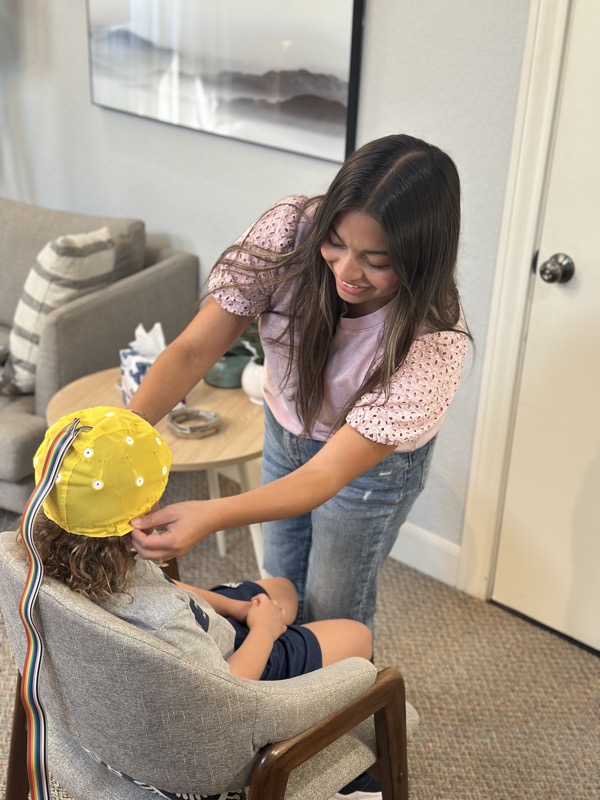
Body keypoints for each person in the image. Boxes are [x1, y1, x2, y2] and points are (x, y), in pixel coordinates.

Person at [128, 133, 471, 634]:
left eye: (376, 261)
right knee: (281, 588)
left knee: (334, 612)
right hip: (285, 429)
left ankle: (340, 701)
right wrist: (112, 438)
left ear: (422, 256)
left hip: (371, 475)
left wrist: (210, 514)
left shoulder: (433, 342)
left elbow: (325, 478)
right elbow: (194, 349)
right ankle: (296, 697)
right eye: (335, 243)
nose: (347, 271)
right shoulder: (290, 232)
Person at [20, 406, 372, 683]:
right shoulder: (164, 617)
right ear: (142, 510)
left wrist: (235, 608)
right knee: (357, 637)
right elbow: (229, 686)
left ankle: (293, 636)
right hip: (240, 666)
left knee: (283, 591)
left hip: (205, 624)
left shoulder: (57, 555)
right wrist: (264, 630)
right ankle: (310, 676)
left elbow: (163, 587)